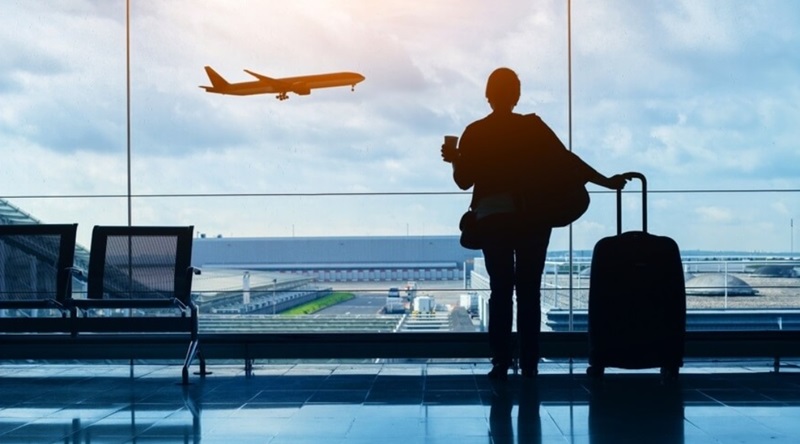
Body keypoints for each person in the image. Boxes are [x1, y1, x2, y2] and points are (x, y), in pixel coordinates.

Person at [441, 67, 629, 380]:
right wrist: (604, 182)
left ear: (488, 95)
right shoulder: (532, 127)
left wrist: (456, 158)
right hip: (532, 218)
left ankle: (500, 361)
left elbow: (463, 182)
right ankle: (530, 362)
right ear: (516, 95)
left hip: (492, 218)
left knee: (501, 291)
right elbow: (567, 161)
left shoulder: (474, 132)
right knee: (529, 292)